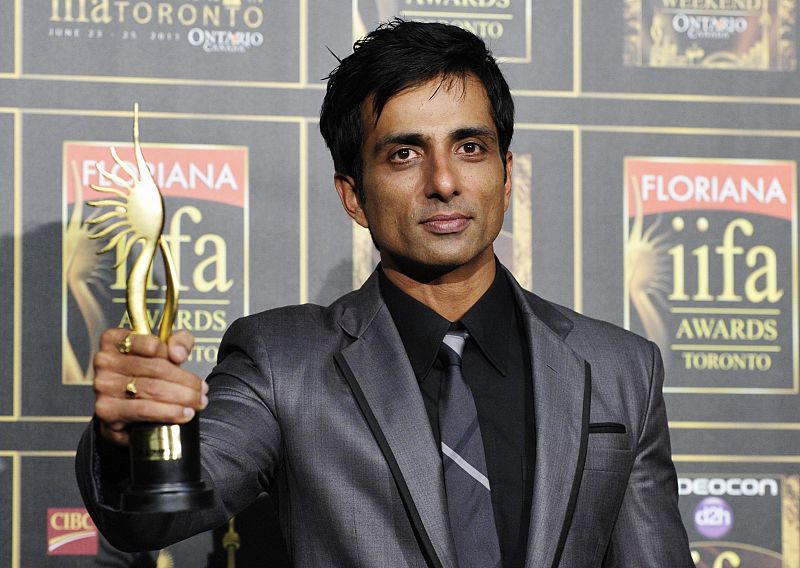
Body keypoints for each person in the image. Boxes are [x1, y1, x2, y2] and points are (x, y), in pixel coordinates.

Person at [77, 19, 693, 567]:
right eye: (404, 154)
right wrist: (131, 437)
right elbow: (150, 519)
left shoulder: (620, 370)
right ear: (353, 196)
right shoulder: (283, 363)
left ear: (506, 176)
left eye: (470, 148)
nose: (444, 181)